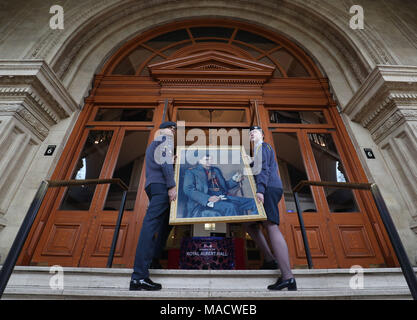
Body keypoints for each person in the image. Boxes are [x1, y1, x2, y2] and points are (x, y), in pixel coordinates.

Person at [245, 126, 297, 291]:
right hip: (267, 187)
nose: (252, 133)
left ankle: (288, 277)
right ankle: (269, 259)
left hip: (267, 188)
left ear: (262, 135)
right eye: (250, 132)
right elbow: (259, 167)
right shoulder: (259, 150)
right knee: (249, 225)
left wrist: (260, 190)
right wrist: (252, 161)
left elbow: (264, 169)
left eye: (255, 131)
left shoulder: (263, 146)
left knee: (271, 226)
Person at [129, 121, 177, 291]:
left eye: (174, 129)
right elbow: (164, 163)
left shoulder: (153, 144)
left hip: (152, 185)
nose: (172, 130)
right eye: (170, 128)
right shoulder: (165, 141)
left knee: (166, 223)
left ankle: (154, 258)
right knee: (150, 227)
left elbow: (162, 161)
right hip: (161, 186)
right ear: (161, 130)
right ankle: (139, 277)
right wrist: (171, 185)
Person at [183, 153, 258, 218]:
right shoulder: (191, 172)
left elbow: (225, 186)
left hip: (222, 197)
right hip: (205, 203)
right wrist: (208, 198)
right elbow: (188, 190)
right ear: (199, 161)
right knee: (231, 207)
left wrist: (234, 180)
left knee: (253, 202)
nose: (210, 161)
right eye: (206, 159)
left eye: (211, 159)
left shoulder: (216, 170)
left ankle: (252, 225)